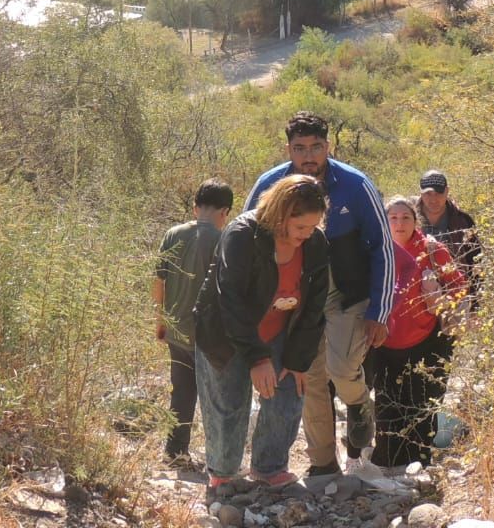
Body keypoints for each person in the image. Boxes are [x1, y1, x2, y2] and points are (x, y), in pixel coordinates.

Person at [244, 112, 394, 477]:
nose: (308, 156)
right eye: (299, 148)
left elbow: (383, 247)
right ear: (288, 149)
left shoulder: (355, 185)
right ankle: (323, 462)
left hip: (346, 291)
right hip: (295, 298)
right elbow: (245, 239)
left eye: (316, 147)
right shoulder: (271, 184)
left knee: (341, 367)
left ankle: (358, 404)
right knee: (308, 377)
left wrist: (380, 310)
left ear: (329, 146)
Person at [194, 174, 330, 488]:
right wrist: (257, 359)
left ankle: (269, 468)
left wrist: (297, 359)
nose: (308, 235)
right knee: (230, 403)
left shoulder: (316, 242)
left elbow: (314, 306)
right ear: (281, 215)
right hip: (224, 333)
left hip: (280, 330)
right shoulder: (243, 234)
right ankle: (223, 474)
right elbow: (229, 300)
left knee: (288, 395)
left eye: (313, 227)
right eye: (301, 228)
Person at [372, 195, 465, 469]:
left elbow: (459, 287)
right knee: (386, 403)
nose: (399, 224)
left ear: (416, 220)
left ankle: (419, 464)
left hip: (428, 341)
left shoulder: (431, 249)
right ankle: (388, 463)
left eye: (406, 218)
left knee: (422, 404)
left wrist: (435, 294)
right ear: (384, 221)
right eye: (393, 218)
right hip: (383, 342)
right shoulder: (376, 250)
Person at [154, 179, 235, 466]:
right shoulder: (224, 239)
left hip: (176, 329)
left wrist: (160, 320)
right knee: (215, 397)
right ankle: (219, 458)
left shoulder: (172, 233)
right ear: (225, 211)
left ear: (195, 207)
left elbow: (158, 282)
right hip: (208, 334)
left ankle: (175, 453)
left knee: (181, 393)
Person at [416, 169, 483, 308]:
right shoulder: (409, 219)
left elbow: (476, 263)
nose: (433, 199)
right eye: (428, 193)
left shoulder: (463, 221)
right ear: (420, 193)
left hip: (457, 299)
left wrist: (475, 305)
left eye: (438, 193)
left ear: (447, 191)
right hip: (419, 301)